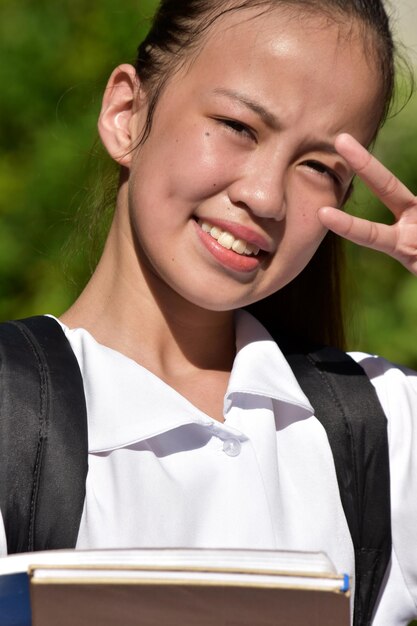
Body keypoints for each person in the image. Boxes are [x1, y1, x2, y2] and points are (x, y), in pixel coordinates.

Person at [1, 0, 417, 624]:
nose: (266, 195)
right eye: (239, 126)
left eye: (318, 167)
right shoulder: (14, 415)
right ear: (126, 113)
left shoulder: (384, 426)